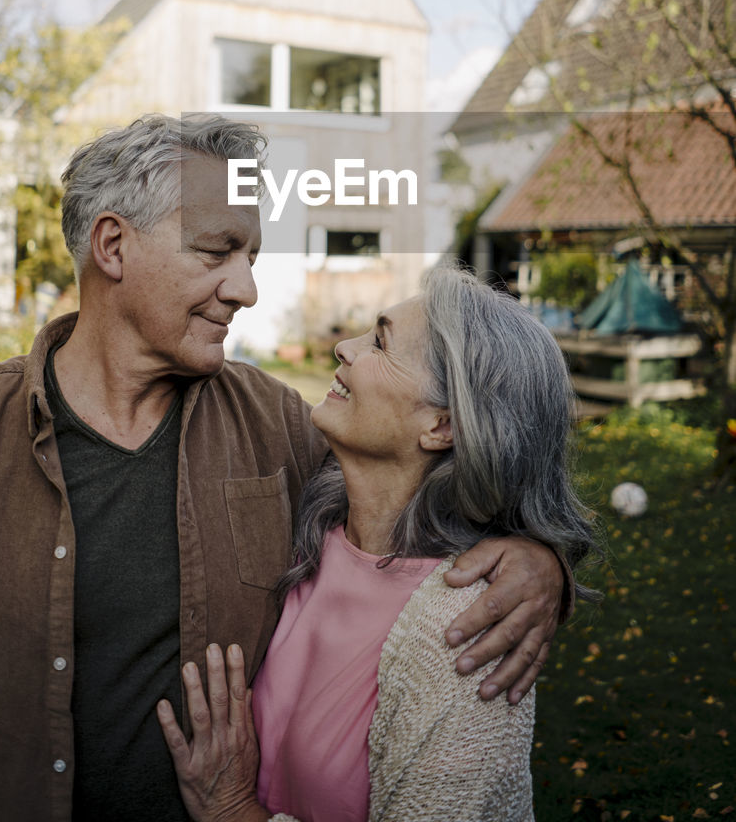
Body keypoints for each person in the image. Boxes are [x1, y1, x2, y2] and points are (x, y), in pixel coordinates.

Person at [0, 115, 566, 822]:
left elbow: (424, 490)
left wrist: (539, 560)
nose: (246, 289)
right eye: (217, 252)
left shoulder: (278, 427)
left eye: (252, 257)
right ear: (112, 245)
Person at [158, 264, 600, 822]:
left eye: (381, 343)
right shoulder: (309, 525)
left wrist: (229, 809)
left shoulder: (469, 634)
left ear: (442, 425)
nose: (344, 347)